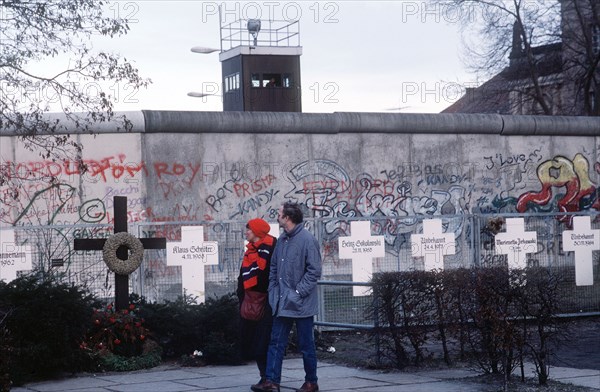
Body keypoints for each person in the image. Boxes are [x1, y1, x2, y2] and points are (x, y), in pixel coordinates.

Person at [252, 202, 322, 392]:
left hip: (301, 304)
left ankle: (311, 382)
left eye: (279, 212)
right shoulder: (282, 240)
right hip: (282, 303)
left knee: (306, 345)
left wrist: (297, 293)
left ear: (287, 217)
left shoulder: (307, 240)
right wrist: (274, 291)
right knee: (275, 343)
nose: (277, 215)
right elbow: (274, 268)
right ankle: (272, 381)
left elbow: (314, 271)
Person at [237, 218, 277, 386]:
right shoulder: (250, 251)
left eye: (249, 230)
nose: (246, 232)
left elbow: (266, 276)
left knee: (263, 341)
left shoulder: (271, 248)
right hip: (250, 302)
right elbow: (244, 275)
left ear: (257, 232)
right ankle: (264, 376)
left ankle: (269, 378)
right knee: (254, 340)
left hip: (266, 302)